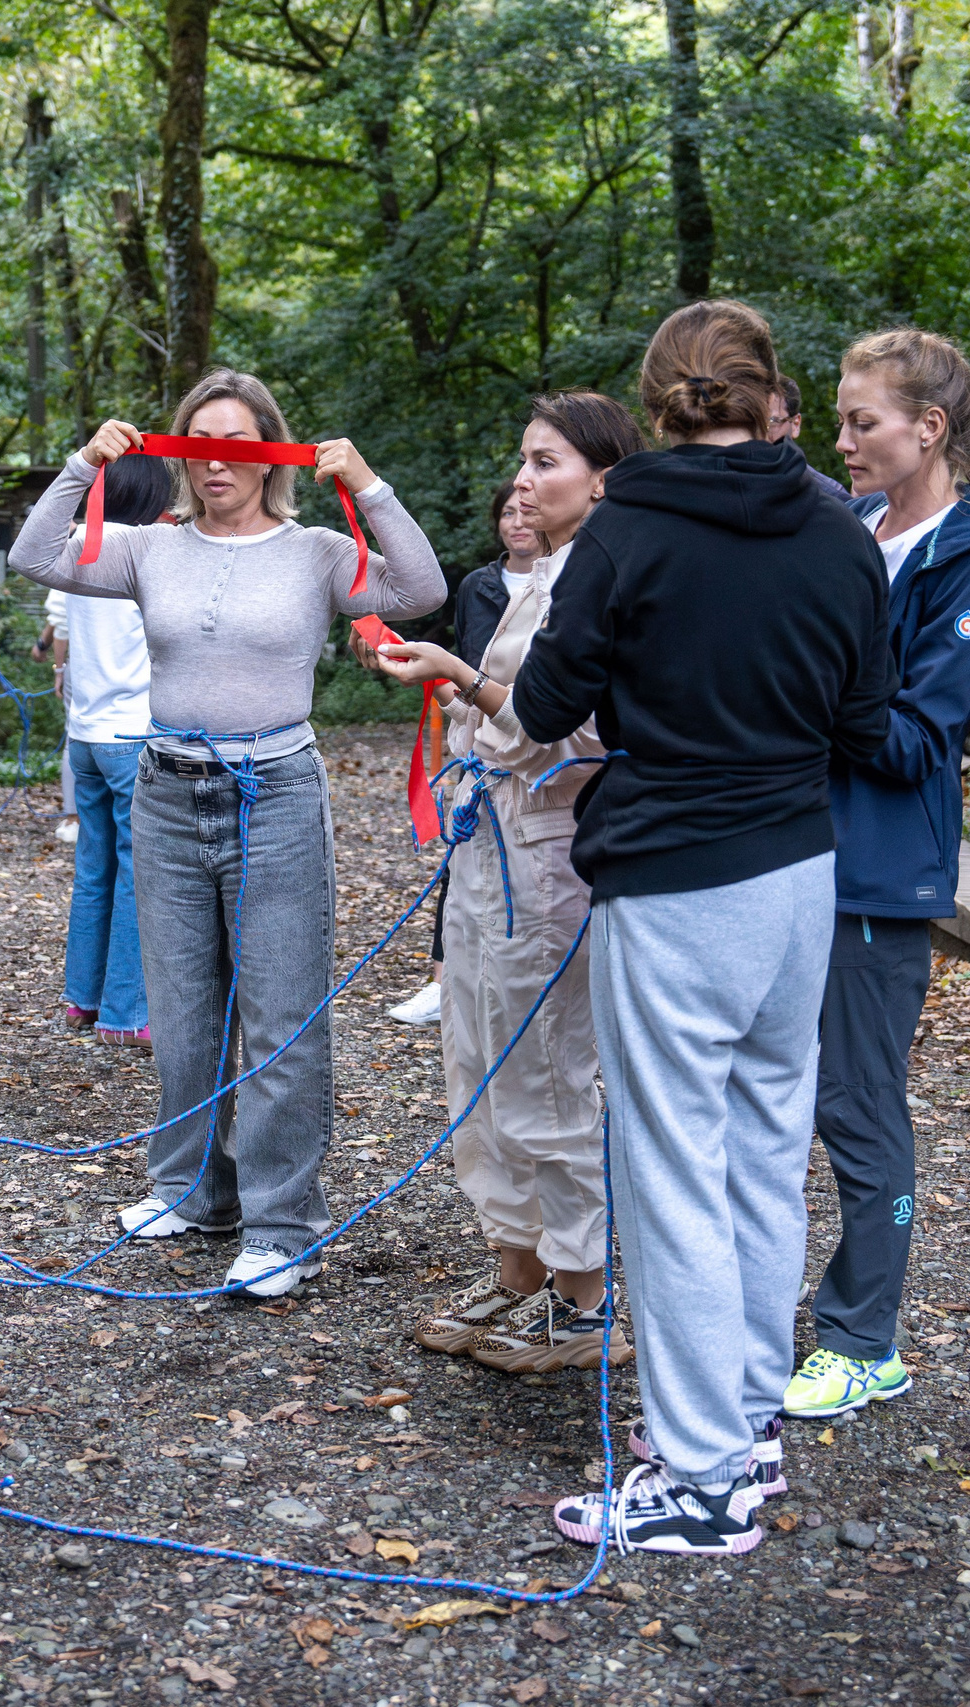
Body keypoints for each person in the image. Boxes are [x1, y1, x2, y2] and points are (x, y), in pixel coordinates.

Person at [512, 300, 897, 1557]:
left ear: (660, 398)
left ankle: (700, 1477)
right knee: (760, 1150)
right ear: (766, 394)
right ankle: (741, 1412)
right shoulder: (841, 533)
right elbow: (862, 720)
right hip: (796, 877)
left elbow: (544, 695)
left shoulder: (628, 530)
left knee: (672, 1169)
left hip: (677, 879)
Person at [6, 370, 447, 1298]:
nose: (215, 460)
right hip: (167, 788)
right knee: (184, 1010)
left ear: (270, 452)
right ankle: (193, 1191)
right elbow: (34, 553)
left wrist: (368, 486)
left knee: (280, 1018)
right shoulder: (148, 550)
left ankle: (283, 1225)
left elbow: (418, 585)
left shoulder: (318, 550)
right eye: (198, 440)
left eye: (236, 442)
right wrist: (86, 462)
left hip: (276, 791)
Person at [783, 328, 970, 1420]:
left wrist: (793, 681)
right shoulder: (844, 527)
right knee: (768, 1094)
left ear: (927, 429)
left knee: (857, 1104)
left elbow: (909, 740)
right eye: (839, 422)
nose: (840, 442)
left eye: (860, 423)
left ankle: (860, 1337)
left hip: (877, 877)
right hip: (780, 852)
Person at [368, 395, 636, 1375]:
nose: (521, 481)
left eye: (545, 462)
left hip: (551, 865)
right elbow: (510, 720)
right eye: (521, 461)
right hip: (488, 855)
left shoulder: (612, 582)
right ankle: (515, 1271)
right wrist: (458, 698)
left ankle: (582, 1302)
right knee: (474, 1070)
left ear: (603, 478)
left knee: (546, 1082)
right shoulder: (537, 575)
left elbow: (580, 728)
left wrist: (462, 679)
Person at [385, 483, 541, 1028]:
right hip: (479, 738)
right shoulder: (478, 586)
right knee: (463, 860)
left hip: (538, 759)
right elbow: (469, 676)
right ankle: (446, 981)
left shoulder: (572, 584)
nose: (517, 520)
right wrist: (434, 674)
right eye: (507, 512)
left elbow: (543, 715)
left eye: (526, 509)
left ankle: (509, 991)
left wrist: (459, 678)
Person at [45, 455, 172, 1046]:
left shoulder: (80, 543)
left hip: (85, 737)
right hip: (132, 735)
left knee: (95, 870)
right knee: (136, 876)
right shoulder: (149, 550)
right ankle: (126, 1013)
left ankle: (83, 999)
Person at [769, 376, 849, 500]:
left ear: (795, 424)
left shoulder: (832, 498)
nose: (757, 434)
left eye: (771, 421)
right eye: (748, 424)